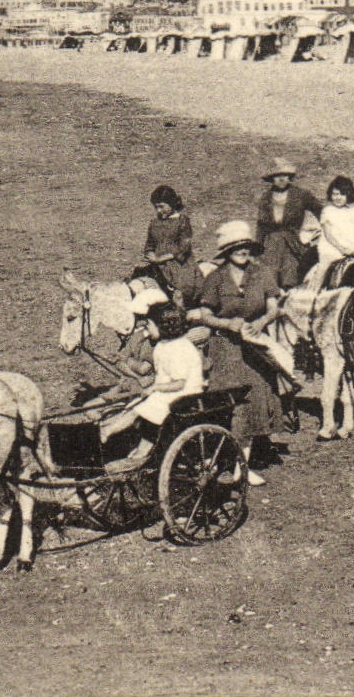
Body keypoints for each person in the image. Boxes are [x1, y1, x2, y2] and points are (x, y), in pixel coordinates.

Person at [190, 221, 284, 486]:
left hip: (254, 347)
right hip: (225, 349)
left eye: (245, 247)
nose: (242, 252)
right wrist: (226, 323)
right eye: (236, 248)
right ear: (227, 252)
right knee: (229, 403)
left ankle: (244, 466)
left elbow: (274, 307)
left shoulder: (262, 273)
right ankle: (223, 459)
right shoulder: (215, 279)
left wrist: (262, 322)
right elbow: (205, 315)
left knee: (255, 399)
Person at [98, 300, 205, 465]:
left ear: (163, 326)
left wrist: (154, 387)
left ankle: (107, 430)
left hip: (184, 394)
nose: (146, 329)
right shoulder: (163, 346)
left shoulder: (180, 348)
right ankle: (140, 452)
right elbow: (164, 377)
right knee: (136, 405)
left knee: (138, 410)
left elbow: (179, 383)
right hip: (168, 392)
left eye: (149, 325)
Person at [256, 158, 323, 289]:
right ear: (272, 178)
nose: (281, 179)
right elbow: (261, 225)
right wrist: (257, 248)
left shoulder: (301, 194)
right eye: (277, 176)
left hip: (293, 240)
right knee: (270, 269)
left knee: (291, 266)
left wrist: (327, 230)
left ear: (289, 177)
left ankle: (290, 294)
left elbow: (321, 212)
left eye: (285, 175)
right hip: (272, 241)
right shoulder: (265, 198)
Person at [140, 184, 198, 306]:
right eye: (156, 207)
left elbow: (183, 247)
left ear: (172, 204)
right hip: (156, 264)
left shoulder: (182, 221)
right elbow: (149, 244)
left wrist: (161, 258)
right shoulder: (154, 223)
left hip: (178, 264)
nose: (158, 211)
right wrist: (150, 254)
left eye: (162, 206)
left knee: (183, 289)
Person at [313, 175, 354, 287]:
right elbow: (328, 235)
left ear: (348, 195)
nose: (338, 197)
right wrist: (342, 249)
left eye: (342, 194)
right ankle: (315, 291)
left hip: (351, 247)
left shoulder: (353, 212)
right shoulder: (328, 211)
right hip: (333, 247)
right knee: (325, 267)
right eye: (335, 194)